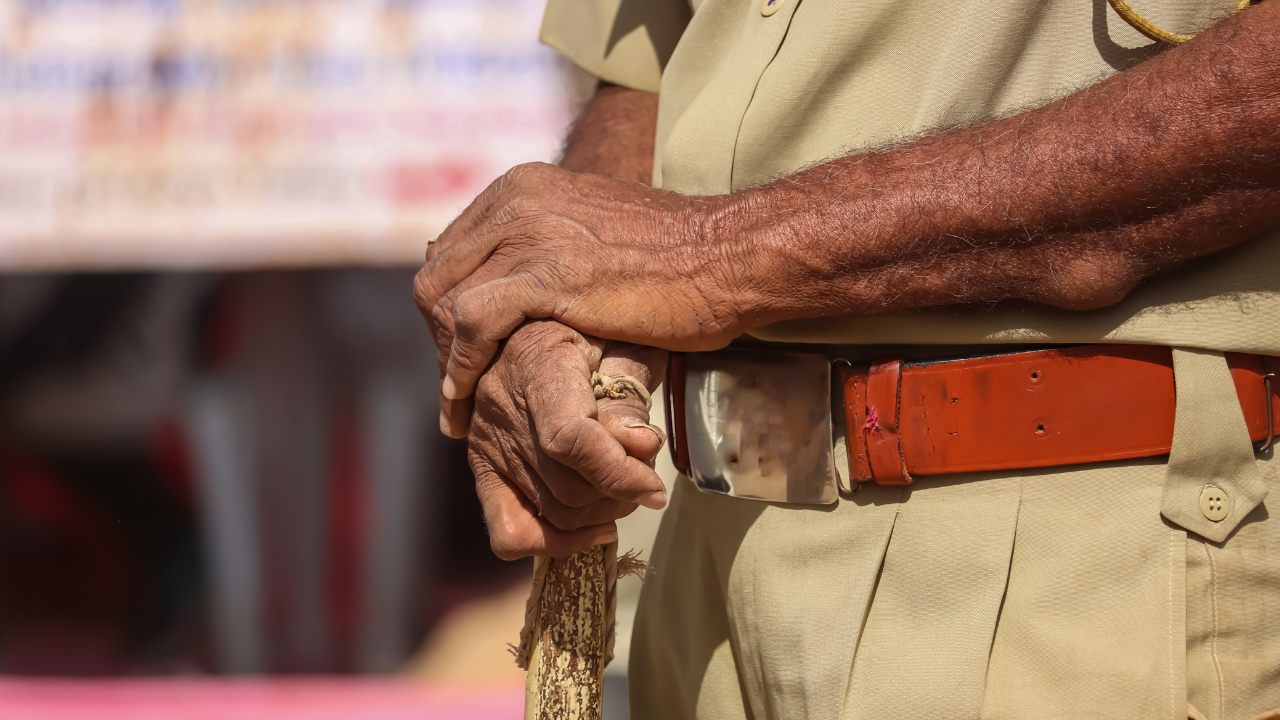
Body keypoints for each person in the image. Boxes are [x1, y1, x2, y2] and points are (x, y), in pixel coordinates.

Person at [414, 0, 1280, 717]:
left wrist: (707, 255)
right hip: (710, 552)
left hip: (1071, 554)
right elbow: (649, 61)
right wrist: (570, 316)